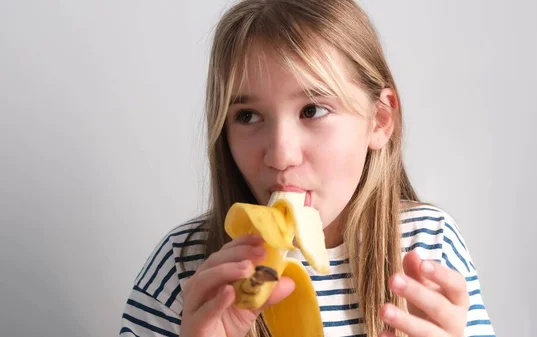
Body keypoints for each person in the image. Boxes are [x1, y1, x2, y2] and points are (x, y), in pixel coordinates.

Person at [119, 0, 496, 336]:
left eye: (312, 110)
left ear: (379, 120)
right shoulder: (184, 266)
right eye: (248, 116)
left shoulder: (428, 247)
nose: (281, 156)